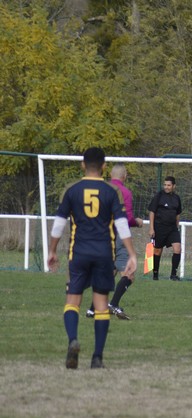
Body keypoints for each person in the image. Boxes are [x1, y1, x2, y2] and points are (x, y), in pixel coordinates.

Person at [47, 147, 137, 369]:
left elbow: (59, 224)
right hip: (104, 253)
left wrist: (52, 251)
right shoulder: (111, 192)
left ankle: (73, 340)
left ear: (82, 165)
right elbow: (121, 224)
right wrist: (132, 254)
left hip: (78, 252)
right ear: (104, 166)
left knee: (73, 301)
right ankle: (97, 358)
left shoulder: (72, 190)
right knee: (101, 304)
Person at [86, 164, 143, 320]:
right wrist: (137, 222)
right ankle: (113, 304)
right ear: (125, 176)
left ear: (110, 175)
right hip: (119, 234)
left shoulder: (99, 190)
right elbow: (127, 218)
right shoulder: (125, 192)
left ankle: (92, 309)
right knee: (129, 273)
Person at [148, 176, 182, 281]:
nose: (166, 187)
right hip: (159, 227)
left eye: (169, 185)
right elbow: (152, 212)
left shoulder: (177, 198)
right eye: (165, 185)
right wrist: (151, 228)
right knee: (157, 251)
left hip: (172, 229)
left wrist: (176, 227)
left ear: (174, 186)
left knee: (177, 249)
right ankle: (155, 275)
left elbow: (178, 214)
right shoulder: (159, 196)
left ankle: (173, 275)